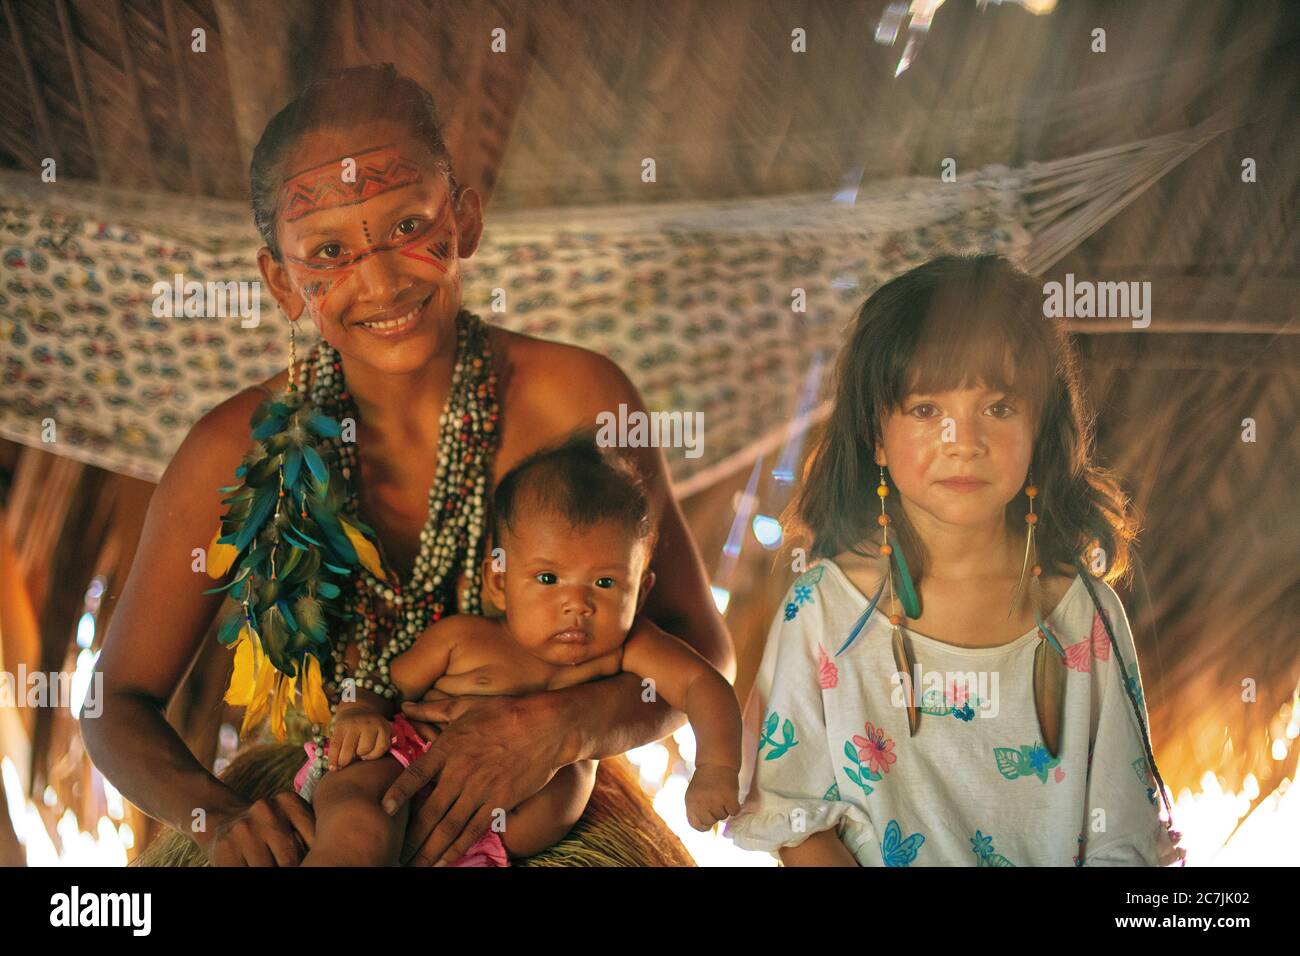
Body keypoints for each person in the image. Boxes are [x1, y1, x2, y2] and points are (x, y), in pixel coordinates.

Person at [81, 63, 733, 867]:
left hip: (538, 801)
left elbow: (706, 652)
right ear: (283, 283)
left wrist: (564, 725)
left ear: (463, 220)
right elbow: (116, 701)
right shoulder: (232, 447)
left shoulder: (577, 399)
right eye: (330, 251)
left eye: (405, 228)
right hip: (338, 801)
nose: (383, 280)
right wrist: (222, 819)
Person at [726, 255, 1183, 866]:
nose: (962, 442)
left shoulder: (1085, 618)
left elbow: (1122, 840)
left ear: (1039, 429)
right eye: (926, 410)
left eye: (998, 407)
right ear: (876, 436)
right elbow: (796, 818)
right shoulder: (823, 614)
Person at [298, 435, 742, 865]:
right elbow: (381, 681)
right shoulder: (464, 639)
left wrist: (716, 768)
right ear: (498, 583)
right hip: (403, 773)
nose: (577, 603)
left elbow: (704, 682)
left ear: (641, 592)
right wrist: (359, 712)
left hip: (493, 847)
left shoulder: (629, 649)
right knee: (360, 828)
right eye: (548, 578)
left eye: (605, 583)